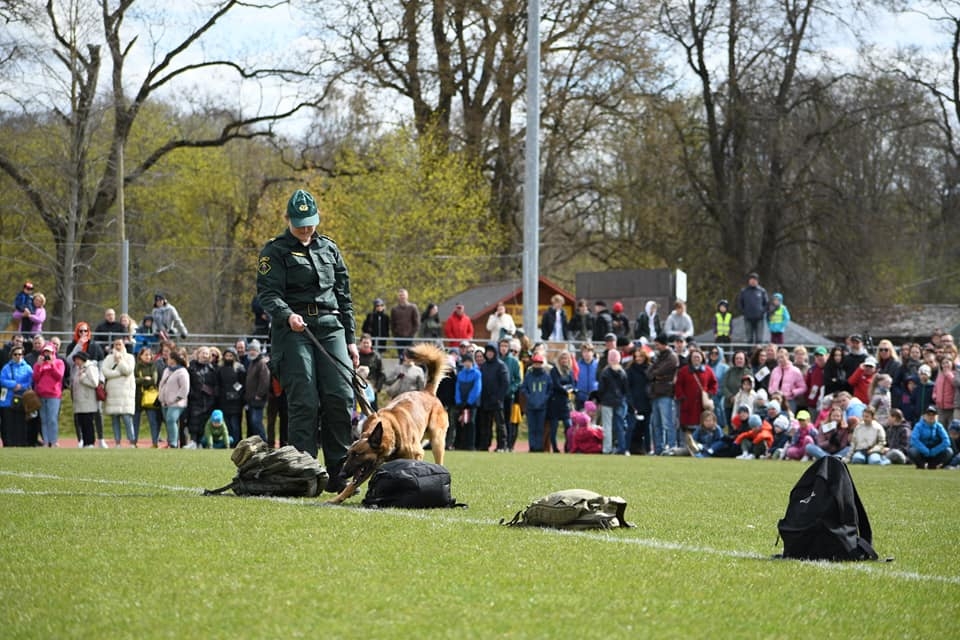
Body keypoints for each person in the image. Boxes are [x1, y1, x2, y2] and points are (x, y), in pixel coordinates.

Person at [256, 189, 359, 490]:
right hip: (293, 329)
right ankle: (305, 472)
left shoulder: (329, 248)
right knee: (305, 400)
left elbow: (344, 295)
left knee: (340, 396)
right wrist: (287, 314)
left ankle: (340, 472)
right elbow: (268, 294)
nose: (305, 229)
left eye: (310, 223)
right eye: (300, 224)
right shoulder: (274, 251)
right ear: (288, 219)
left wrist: (351, 339)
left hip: (330, 326)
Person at [674, 348, 718, 449]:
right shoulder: (683, 371)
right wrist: (682, 397)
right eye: (694, 357)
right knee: (686, 427)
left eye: (698, 357)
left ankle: (700, 447)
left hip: (702, 405)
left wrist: (709, 394)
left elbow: (714, 384)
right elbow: (678, 385)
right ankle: (684, 447)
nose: (696, 359)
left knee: (702, 426)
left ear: (702, 358)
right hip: (687, 405)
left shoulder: (708, 370)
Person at [647, 334, 679, 455]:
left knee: (667, 423)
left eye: (658, 344)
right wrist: (655, 374)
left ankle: (672, 447)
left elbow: (659, 371)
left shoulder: (671, 357)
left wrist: (655, 374)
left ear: (664, 344)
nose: (656, 346)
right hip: (656, 393)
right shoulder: (659, 356)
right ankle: (658, 448)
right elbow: (649, 373)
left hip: (666, 393)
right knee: (656, 424)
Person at [103, 337, 137, 447]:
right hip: (113, 393)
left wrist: (120, 361)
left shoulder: (130, 357)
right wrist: (118, 373)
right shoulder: (108, 358)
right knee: (115, 419)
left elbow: (128, 371)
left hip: (125, 393)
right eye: (116, 344)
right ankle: (117, 442)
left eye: (120, 344)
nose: (118, 346)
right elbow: (105, 372)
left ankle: (132, 441)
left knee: (127, 419)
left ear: (123, 345)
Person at [477, 342, 509, 452]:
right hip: (485, 400)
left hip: (496, 401)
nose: (489, 354)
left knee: (500, 425)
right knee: (485, 425)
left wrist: (499, 398)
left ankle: (502, 445)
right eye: (488, 352)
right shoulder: (484, 366)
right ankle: (484, 445)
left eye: (491, 352)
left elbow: (505, 383)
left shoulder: (501, 365)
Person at [0, 344, 33, 446]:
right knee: (8, 423)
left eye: (20, 354)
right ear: (12, 355)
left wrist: (21, 386)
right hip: (8, 400)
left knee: (21, 423)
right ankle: (9, 443)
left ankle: (21, 443)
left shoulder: (27, 368)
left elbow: (30, 381)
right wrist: (14, 384)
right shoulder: (6, 368)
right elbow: (2, 380)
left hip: (22, 399)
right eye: (15, 354)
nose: (18, 356)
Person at [32, 342, 64, 447]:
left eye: (49, 352)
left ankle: (53, 441)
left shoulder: (59, 362)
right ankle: (46, 441)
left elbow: (59, 376)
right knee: (43, 419)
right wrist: (39, 366)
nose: (47, 354)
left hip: (54, 394)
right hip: (41, 394)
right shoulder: (38, 364)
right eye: (45, 352)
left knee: (52, 419)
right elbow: (35, 378)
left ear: (53, 352)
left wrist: (52, 365)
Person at [185, 346, 217, 448]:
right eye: (202, 353)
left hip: (208, 401)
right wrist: (192, 394)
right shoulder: (191, 368)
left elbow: (215, 384)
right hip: (195, 399)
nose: (204, 355)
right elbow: (188, 383)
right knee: (193, 421)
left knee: (204, 422)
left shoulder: (212, 369)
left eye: (207, 353)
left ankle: (200, 442)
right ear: (198, 354)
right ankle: (193, 441)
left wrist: (212, 394)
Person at [520, 353, 552, 452]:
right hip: (531, 406)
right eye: (535, 363)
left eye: (539, 363)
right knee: (532, 428)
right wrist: (529, 397)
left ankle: (539, 447)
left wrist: (545, 398)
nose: (537, 365)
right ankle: (532, 446)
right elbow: (524, 388)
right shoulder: (529, 376)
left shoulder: (546, 376)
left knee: (540, 428)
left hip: (542, 406)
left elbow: (550, 390)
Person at [158, 347, 190, 448]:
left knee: (171, 419)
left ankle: (173, 443)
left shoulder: (182, 371)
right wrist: (161, 397)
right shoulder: (167, 370)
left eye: (169, 358)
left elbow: (185, 388)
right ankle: (170, 441)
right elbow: (162, 384)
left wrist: (176, 399)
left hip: (177, 403)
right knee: (168, 422)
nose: (167, 359)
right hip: (165, 402)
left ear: (173, 360)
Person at [216, 346, 247, 445]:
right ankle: (229, 442)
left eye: (231, 356)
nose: (228, 357)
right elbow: (218, 383)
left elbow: (242, 383)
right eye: (227, 355)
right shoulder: (220, 368)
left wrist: (235, 391)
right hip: (223, 400)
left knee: (235, 424)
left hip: (236, 401)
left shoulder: (240, 368)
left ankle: (237, 443)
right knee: (227, 424)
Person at [545, 350, 574, 453]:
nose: (564, 360)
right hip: (555, 402)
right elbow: (556, 385)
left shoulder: (570, 371)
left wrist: (569, 389)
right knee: (554, 427)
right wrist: (566, 389)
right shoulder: (554, 371)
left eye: (566, 358)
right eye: (562, 358)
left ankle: (567, 446)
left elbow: (573, 384)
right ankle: (555, 448)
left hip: (565, 402)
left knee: (568, 425)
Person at [133, 347, 163, 448]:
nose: (148, 357)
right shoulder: (136, 366)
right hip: (138, 396)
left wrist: (140, 380)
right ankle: (134, 442)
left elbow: (154, 380)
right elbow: (133, 380)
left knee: (153, 421)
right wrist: (144, 379)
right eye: (145, 354)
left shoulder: (153, 366)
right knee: (135, 421)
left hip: (150, 397)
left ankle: (155, 442)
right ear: (140, 356)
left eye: (149, 355)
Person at [70, 351, 100, 449]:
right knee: (81, 422)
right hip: (79, 400)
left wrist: (83, 378)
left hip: (88, 400)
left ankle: (90, 442)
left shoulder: (90, 368)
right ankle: (85, 442)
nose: (76, 362)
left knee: (88, 423)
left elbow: (95, 383)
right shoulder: (78, 369)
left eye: (77, 359)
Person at [243, 339, 271, 443]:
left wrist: (259, 394)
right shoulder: (252, 363)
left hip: (258, 400)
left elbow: (265, 380)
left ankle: (264, 442)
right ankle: (259, 444)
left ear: (258, 351)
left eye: (254, 350)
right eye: (250, 350)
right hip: (251, 399)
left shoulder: (261, 363)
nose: (252, 352)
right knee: (253, 423)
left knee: (256, 422)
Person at [626, 346, 652, 454]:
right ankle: (627, 448)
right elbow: (627, 388)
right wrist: (631, 402)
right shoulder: (630, 370)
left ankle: (648, 449)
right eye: (636, 356)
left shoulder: (650, 369)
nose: (638, 359)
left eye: (640, 356)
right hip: (634, 402)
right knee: (631, 427)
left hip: (648, 402)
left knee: (647, 428)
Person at [454, 352, 482, 450]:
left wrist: (469, 402)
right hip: (461, 403)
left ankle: (470, 445)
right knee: (460, 423)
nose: (467, 363)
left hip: (472, 404)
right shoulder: (460, 374)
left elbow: (477, 388)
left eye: (469, 361)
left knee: (471, 423)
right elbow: (457, 388)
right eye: (465, 361)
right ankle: (460, 444)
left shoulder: (477, 373)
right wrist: (458, 401)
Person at [499, 338, 523, 452]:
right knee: (499, 421)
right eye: (501, 346)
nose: (503, 348)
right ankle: (500, 444)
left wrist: (511, 389)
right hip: (498, 396)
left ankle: (509, 445)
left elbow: (518, 380)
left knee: (508, 421)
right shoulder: (497, 360)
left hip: (509, 396)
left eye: (505, 346)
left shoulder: (513, 362)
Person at [768, 347, 807, 413]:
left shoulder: (795, 371)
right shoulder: (775, 370)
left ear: (787, 357)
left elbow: (803, 387)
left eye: (782, 357)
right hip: (775, 400)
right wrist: (772, 392)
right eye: (778, 358)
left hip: (789, 401)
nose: (780, 359)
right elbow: (770, 385)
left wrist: (793, 392)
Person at [735, 272, 768, 344]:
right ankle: (749, 351)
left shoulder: (762, 291)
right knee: (749, 338)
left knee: (759, 339)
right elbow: (740, 303)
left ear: (757, 281)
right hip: (748, 318)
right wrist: (744, 312)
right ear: (749, 281)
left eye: (755, 280)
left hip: (759, 318)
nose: (753, 281)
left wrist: (762, 312)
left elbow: (766, 304)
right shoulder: (744, 291)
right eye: (751, 279)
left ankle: (759, 351)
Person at [357, 334, 385, 408]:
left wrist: (377, 388)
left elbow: (382, 374)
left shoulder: (376, 356)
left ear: (371, 343)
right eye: (364, 343)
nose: (366, 345)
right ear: (360, 343)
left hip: (371, 388)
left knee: (373, 409)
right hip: (358, 386)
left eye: (368, 343)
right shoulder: (356, 355)